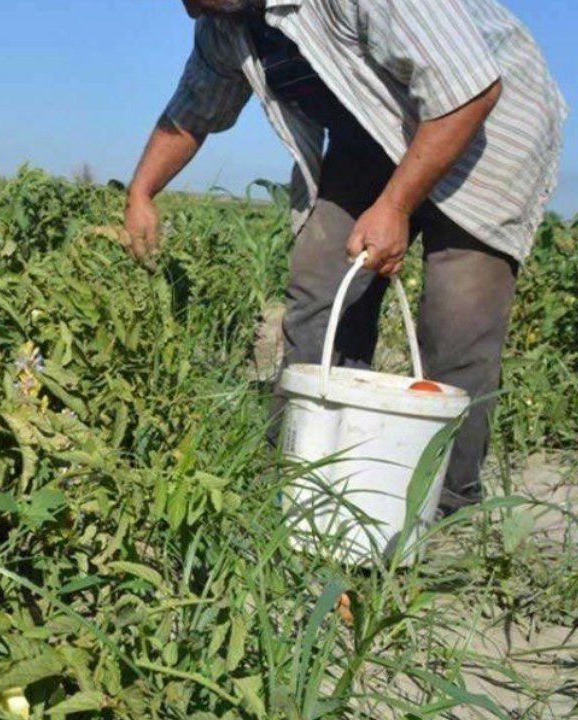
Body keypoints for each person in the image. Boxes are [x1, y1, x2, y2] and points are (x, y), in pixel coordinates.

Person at [122, 0, 566, 515]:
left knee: (457, 319)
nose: (188, 9)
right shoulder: (226, 23)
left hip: (486, 124)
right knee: (322, 280)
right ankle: (308, 470)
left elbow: (472, 91)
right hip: (375, 126)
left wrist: (395, 206)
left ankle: (445, 505)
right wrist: (141, 192)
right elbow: (193, 109)